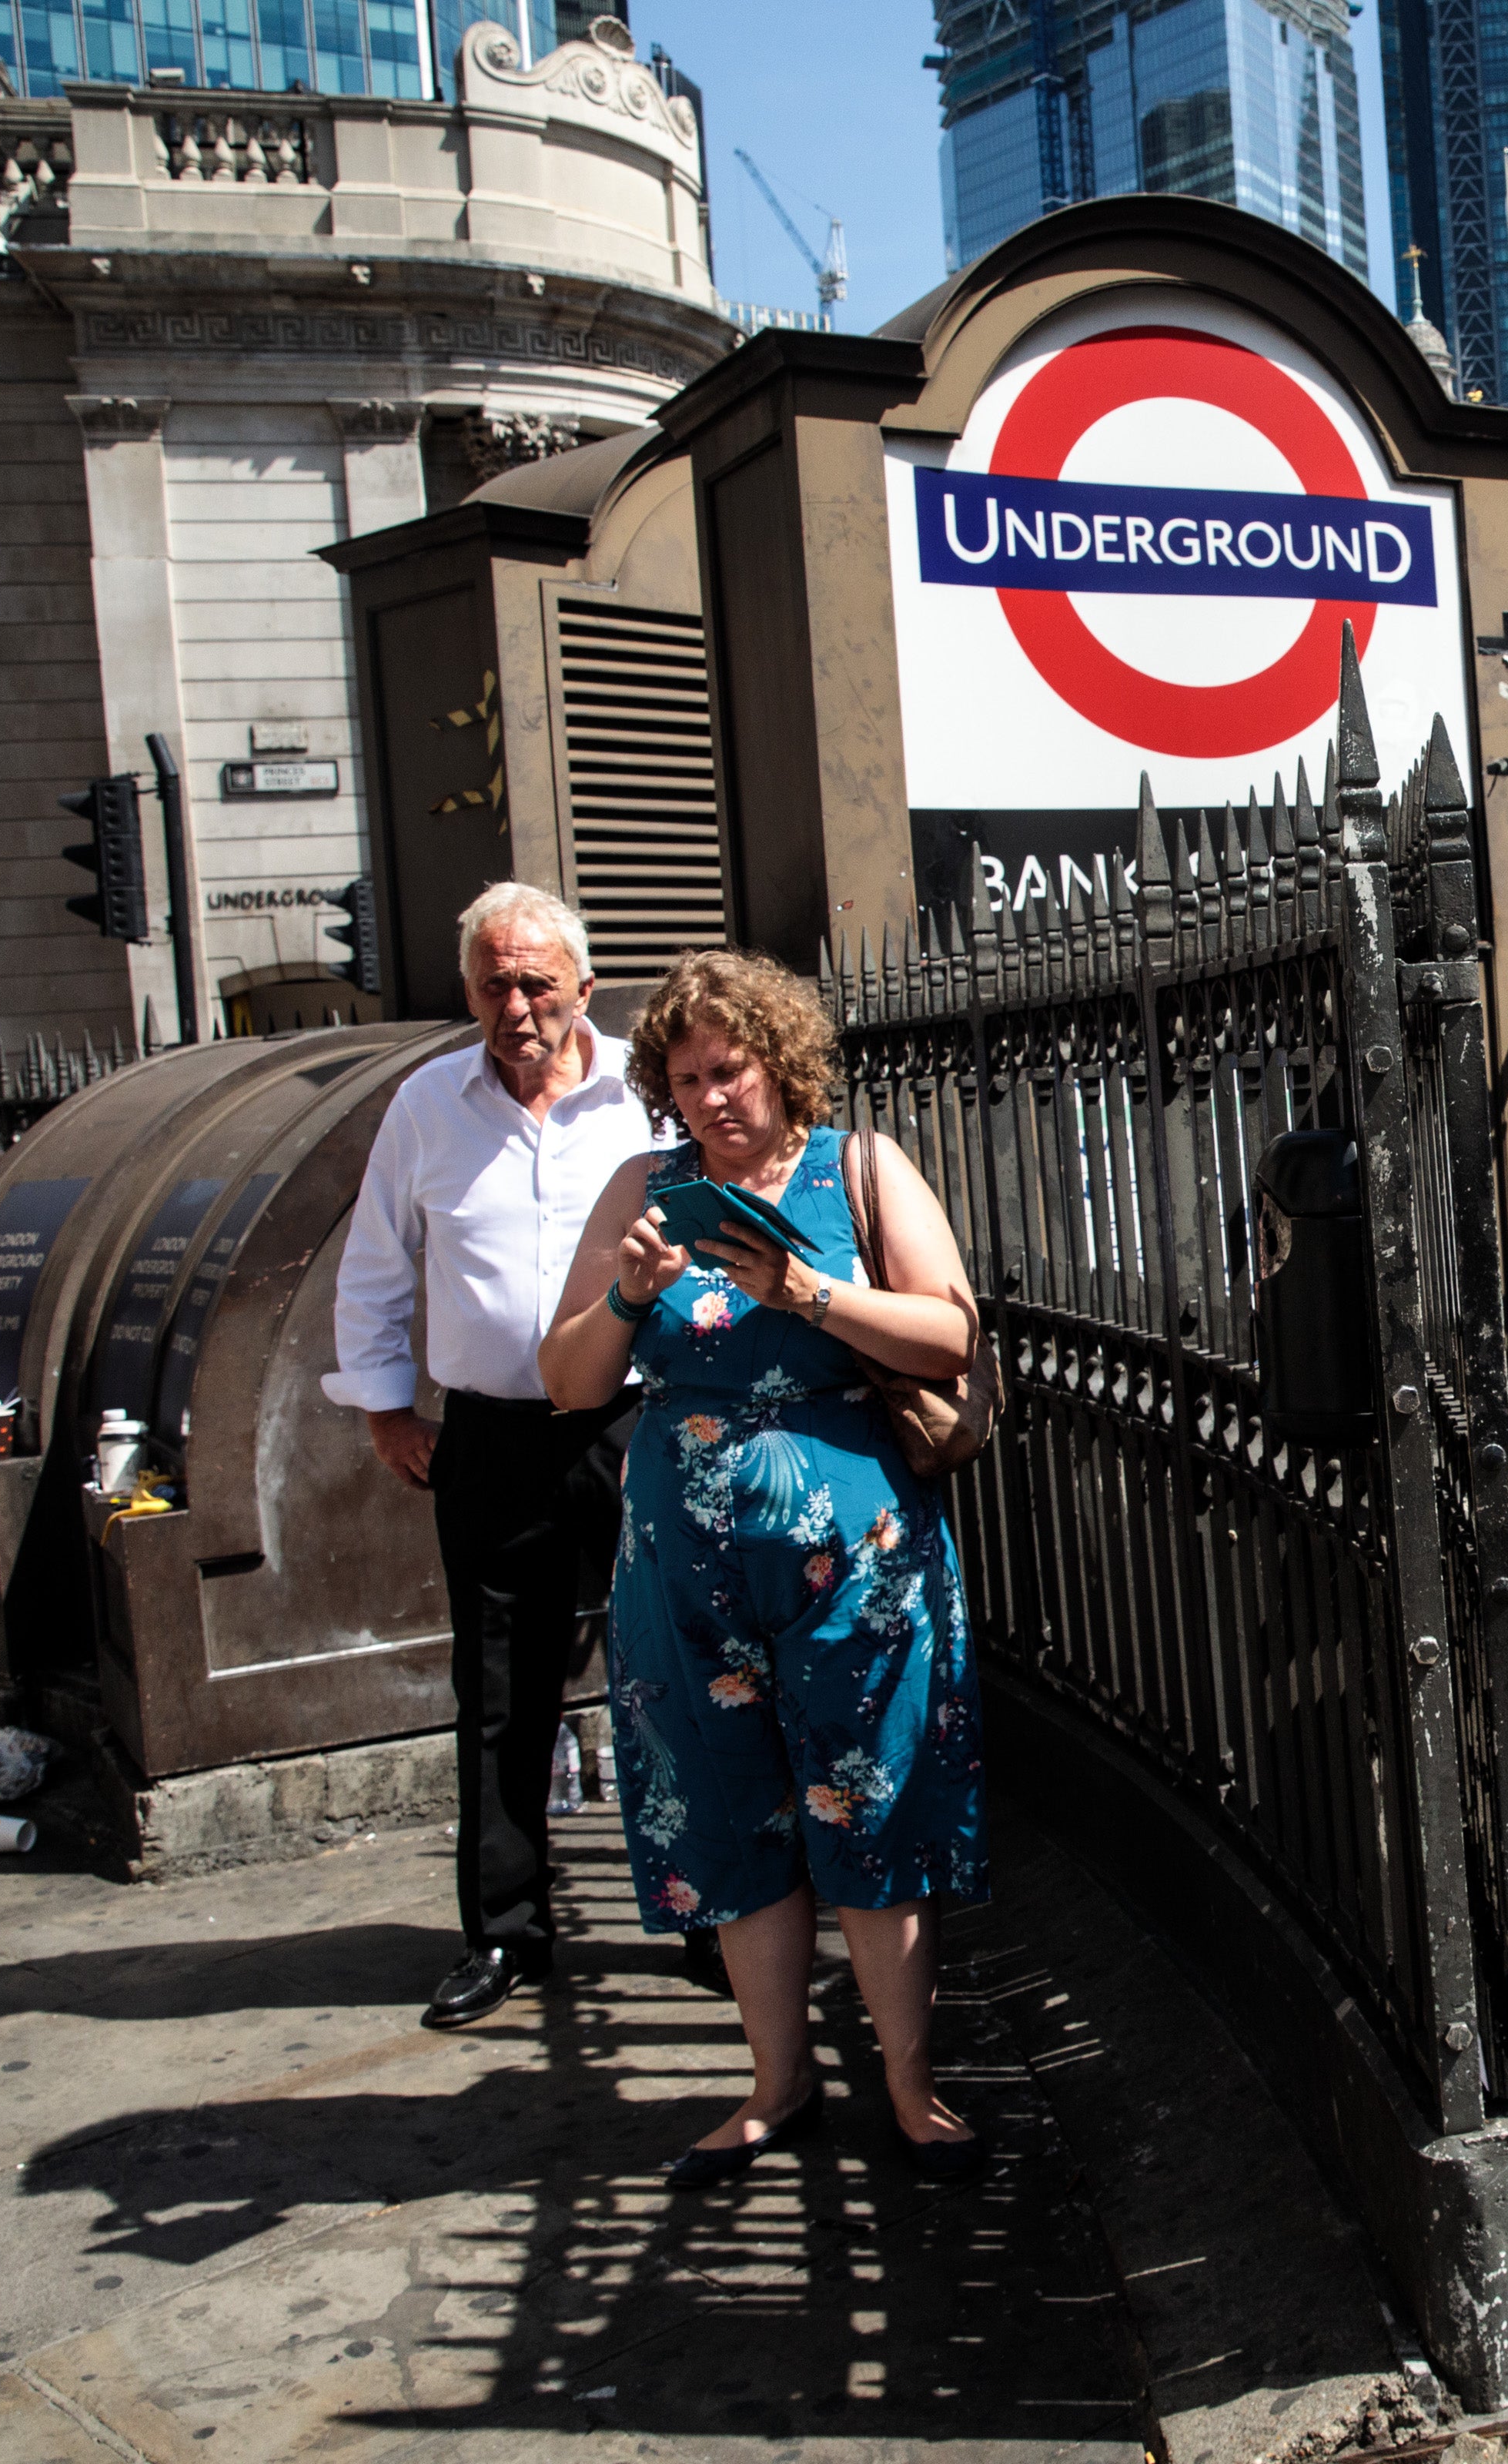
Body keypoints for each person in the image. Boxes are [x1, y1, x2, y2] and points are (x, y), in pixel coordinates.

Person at [537, 948, 989, 2187]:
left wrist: (809, 1290)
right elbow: (566, 1381)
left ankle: (907, 2085)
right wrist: (630, 1298)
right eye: (684, 1079)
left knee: (874, 1799)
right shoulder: (647, 1189)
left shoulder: (859, 1169)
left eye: (727, 1070)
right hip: (686, 1567)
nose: (710, 1098)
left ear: (779, 1064)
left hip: (858, 1561)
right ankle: (776, 2085)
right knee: (733, 1813)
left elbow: (951, 1330)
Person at [328, 883, 663, 2029]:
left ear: (582, 980)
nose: (515, 1006)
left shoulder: (645, 1093)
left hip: (634, 1425)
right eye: (492, 983)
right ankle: (508, 1934)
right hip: (491, 1435)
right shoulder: (429, 1104)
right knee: (499, 1691)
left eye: (536, 981)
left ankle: (713, 1915)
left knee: (673, 1674)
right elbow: (375, 1264)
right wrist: (385, 1411)